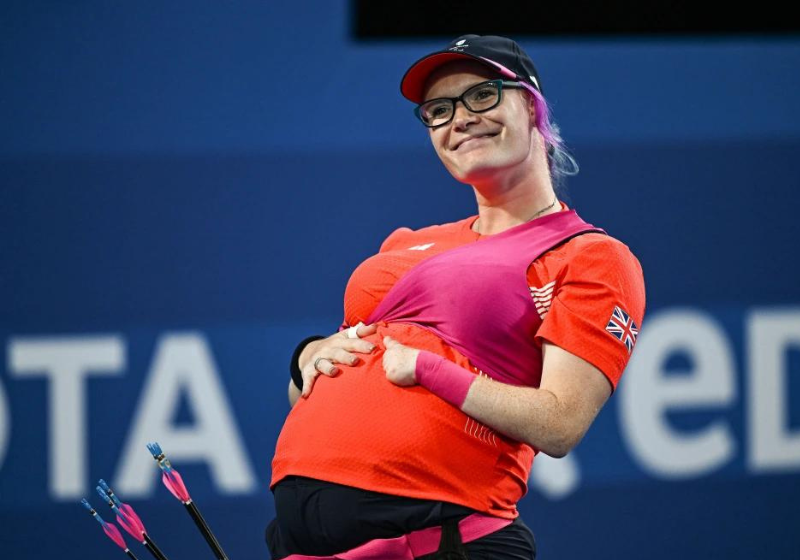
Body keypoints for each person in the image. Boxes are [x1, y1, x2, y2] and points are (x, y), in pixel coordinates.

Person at [265, 35, 645, 560]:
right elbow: (329, 385)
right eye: (439, 110)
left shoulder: (589, 255)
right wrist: (307, 357)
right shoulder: (402, 244)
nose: (460, 118)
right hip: (300, 541)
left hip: (443, 542)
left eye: (482, 95)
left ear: (532, 106)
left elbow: (559, 424)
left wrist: (429, 370)